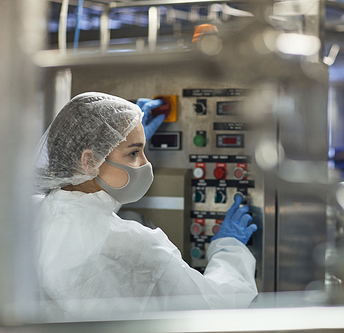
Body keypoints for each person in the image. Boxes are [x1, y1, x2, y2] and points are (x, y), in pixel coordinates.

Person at [33, 92, 258, 320]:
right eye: (133, 153)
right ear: (90, 161)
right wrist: (230, 248)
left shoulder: (34, 214)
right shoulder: (137, 248)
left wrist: (129, 140)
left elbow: (84, 211)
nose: (145, 163)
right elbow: (215, 308)